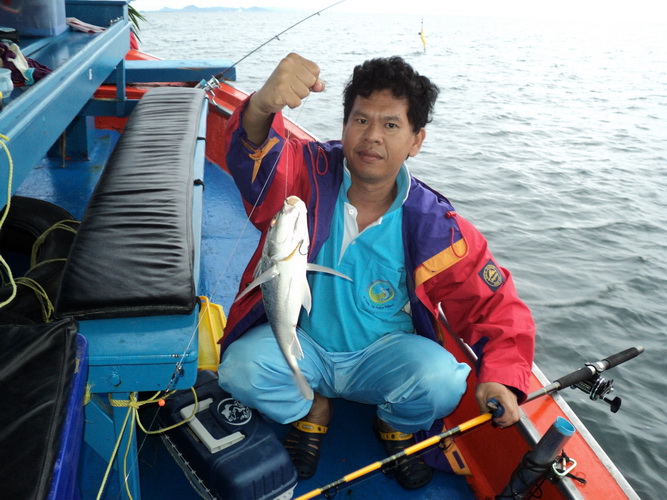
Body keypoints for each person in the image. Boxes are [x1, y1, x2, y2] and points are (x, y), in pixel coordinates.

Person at [218, 52, 535, 489]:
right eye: (361, 120)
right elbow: (254, 158)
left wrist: (502, 378)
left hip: (383, 356)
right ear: (345, 126)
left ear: (416, 140)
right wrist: (261, 107)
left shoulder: (439, 228)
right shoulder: (306, 175)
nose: (372, 137)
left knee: (444, 382)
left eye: (391, 125)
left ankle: (394, 423)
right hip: (303, 346)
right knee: (240, 371)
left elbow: (497, 307)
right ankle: (311, 407)